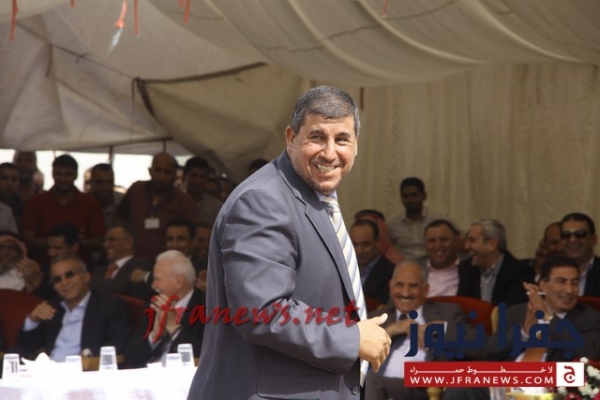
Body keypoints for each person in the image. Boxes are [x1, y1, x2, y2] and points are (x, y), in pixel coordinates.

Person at [187, 86, 391, 400]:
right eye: (317, 137)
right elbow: (262, 312)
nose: (330, 153)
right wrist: (352, 339)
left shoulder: (313, 197)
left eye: (342, 140)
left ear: (356, 145)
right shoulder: (263, 200)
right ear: (290, 137)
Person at [366, 261, 481, 400]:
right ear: (391, 287)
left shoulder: (448, 313)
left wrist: (441, 329)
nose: (405, 293)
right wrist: (387, 333)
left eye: (413, 286)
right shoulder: (376, 317)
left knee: (369, 381)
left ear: (425, 290)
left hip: (422, 389)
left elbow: (480, 347)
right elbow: (351, 359)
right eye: (399, 285)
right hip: (373, 387)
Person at [16, 254, 133, 361]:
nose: (64, 283)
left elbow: (122, 341)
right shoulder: (52, 308)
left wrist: (89, 354)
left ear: (86, 277)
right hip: (50, 370)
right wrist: (33, 320)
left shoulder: (109, 305)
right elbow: (26, 347)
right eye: (57, 280)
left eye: (69, 275)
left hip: (85, 370)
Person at [124, 250, 205, 368]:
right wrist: (154, 336)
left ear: (178, 282)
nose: (153, 286)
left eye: (157, 279)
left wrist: (174, 328)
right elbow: (130, 357)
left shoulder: (209, 307)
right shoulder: (154, 306)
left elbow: (210, 354)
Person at [20, 154, 105, 263]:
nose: (63, 179)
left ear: (76, 175)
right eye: (58, 174)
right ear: (52, 174)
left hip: (80, 266)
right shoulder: (36, 202)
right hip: (42, 266)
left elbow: (99, 240)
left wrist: (82, 242)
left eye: (68, 174)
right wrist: (61, 243)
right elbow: (27, 238)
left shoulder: (91, 203)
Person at [115, 153, 199, 259]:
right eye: (158, 171)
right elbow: (119, 218)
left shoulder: (184, 201)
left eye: (167, 172)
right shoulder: (136, 190)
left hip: (168, 261)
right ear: (150, 171)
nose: (162, 177)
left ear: (175, 174)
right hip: (132, 259)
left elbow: (192, 236)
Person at [457, 219, 535, 305]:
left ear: (492, 244)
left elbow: (512, 309)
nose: (466, 247)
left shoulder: (520, 272)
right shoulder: (466, 268)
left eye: (472, 241)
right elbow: (462, 306)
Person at [90, 223, 153, 299]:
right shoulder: (98, 271)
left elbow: (124, 286)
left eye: (111, 239)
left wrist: (88, 283)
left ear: (128, 243)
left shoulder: (141, 263)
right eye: (105, 240)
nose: (106, 244)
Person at [387, 177, 443, 260]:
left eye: (414, 195)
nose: (410, 199)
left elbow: (459, 241)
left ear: (424, 196)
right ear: (401, 198)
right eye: (406, 196)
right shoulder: (392, 224)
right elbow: (386, 249)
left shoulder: (439, 220)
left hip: (433, 264)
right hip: (404, 265)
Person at [416, 219, 471, 297]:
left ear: (455, 240)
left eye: (443, 240)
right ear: (425, 244)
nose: (438, 245)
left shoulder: (471, 267)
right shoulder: (413, 267)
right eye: (432, 241)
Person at [349, 219, 395, 306]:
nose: (359, 251)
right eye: (355, 244)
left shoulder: (390, 273)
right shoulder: (346, 268)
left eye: (365, 244)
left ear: (378, 242)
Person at [560, 212, 600, 296]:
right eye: (566, 235)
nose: (572, 240)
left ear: (593, 239)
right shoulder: (552, 272)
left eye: (580, 234)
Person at [182, 157, 223, 226]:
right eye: (193, 175)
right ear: (184, 176)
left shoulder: (217, 207)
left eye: (202, 176)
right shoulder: (175, 202)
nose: (198, 181)